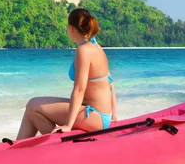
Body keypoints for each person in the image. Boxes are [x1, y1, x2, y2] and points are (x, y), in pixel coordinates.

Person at [16, 8, 117, 140]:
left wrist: (68, 125)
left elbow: (80, 89)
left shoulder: (84, 50)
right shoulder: (96, 47)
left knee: (33, 106)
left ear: (71, 28)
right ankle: (18, 147)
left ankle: (57, 143)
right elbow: (110, 82)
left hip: (95, 116)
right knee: (33, 108)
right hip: (101, 115)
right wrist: (114, 115)